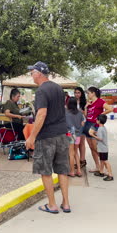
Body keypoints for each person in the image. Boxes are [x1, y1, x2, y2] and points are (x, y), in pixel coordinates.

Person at [25, 61, 70, 214]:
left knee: (46, 171)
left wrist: (31, 137)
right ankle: (66, 203)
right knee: (62, 170)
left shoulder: (41, 91)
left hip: (47, 136)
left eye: (32, 72)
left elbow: (41, 114)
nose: (31, 75)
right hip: (62, 134)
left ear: (38, 73)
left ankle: (52, 205)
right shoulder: (58, 88)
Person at [83, 87, 113, 173]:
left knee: (96, 148)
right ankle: (97, 166)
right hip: (88, 124)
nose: (87, 95)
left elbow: (110, 109)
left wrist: (100, 115)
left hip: (95, 126)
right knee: (91, 148)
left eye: (88, 93)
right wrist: (86, 107)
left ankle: (104, 166)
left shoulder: (100, 101)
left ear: (93, 93)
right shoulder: (89, 102)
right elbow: (86, 115)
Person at [89, 114, 113, 181]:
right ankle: (101, 172)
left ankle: (110, 175)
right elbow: (101, 135)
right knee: (102, 160)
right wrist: (96, 132)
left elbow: (100, 138)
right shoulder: (103, 128)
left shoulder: (100, 129)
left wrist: (92, 135)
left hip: (103, 149)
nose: (96, 120)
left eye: (97, 119)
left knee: (105, 161)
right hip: (102, 148)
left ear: (99, 121)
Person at [65, 97, 85, 177]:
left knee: (71, 153)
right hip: (78, 135)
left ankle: (72, 171)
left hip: (70, 135)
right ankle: (79, 171)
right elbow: (83, 123)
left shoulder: (66, 113)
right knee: (76, 152)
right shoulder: (80, 113)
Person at [74, 87, 87, 168]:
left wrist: (81, 111)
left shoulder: (85, 102)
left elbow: (86, 115)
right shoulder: (72, 101)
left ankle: (82, 160)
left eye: (78, 92)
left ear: (81, 93)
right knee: (76, 144)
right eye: (75, 92)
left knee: (81, 143)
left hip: (83, 123)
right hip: (74, 124)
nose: (77, 94)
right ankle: (77, 161)